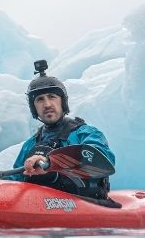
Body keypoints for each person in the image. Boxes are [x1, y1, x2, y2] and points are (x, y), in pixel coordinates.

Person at [6, 59, 116, 202]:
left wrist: (50, 163)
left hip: (85, 205)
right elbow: (14, 180)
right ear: (34, 108)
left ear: (62, 102)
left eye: (52, 97)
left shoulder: (85, 133)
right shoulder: (31, 144)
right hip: (41, 208)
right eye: (40, 99)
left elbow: (103, 159)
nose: (47, 104)